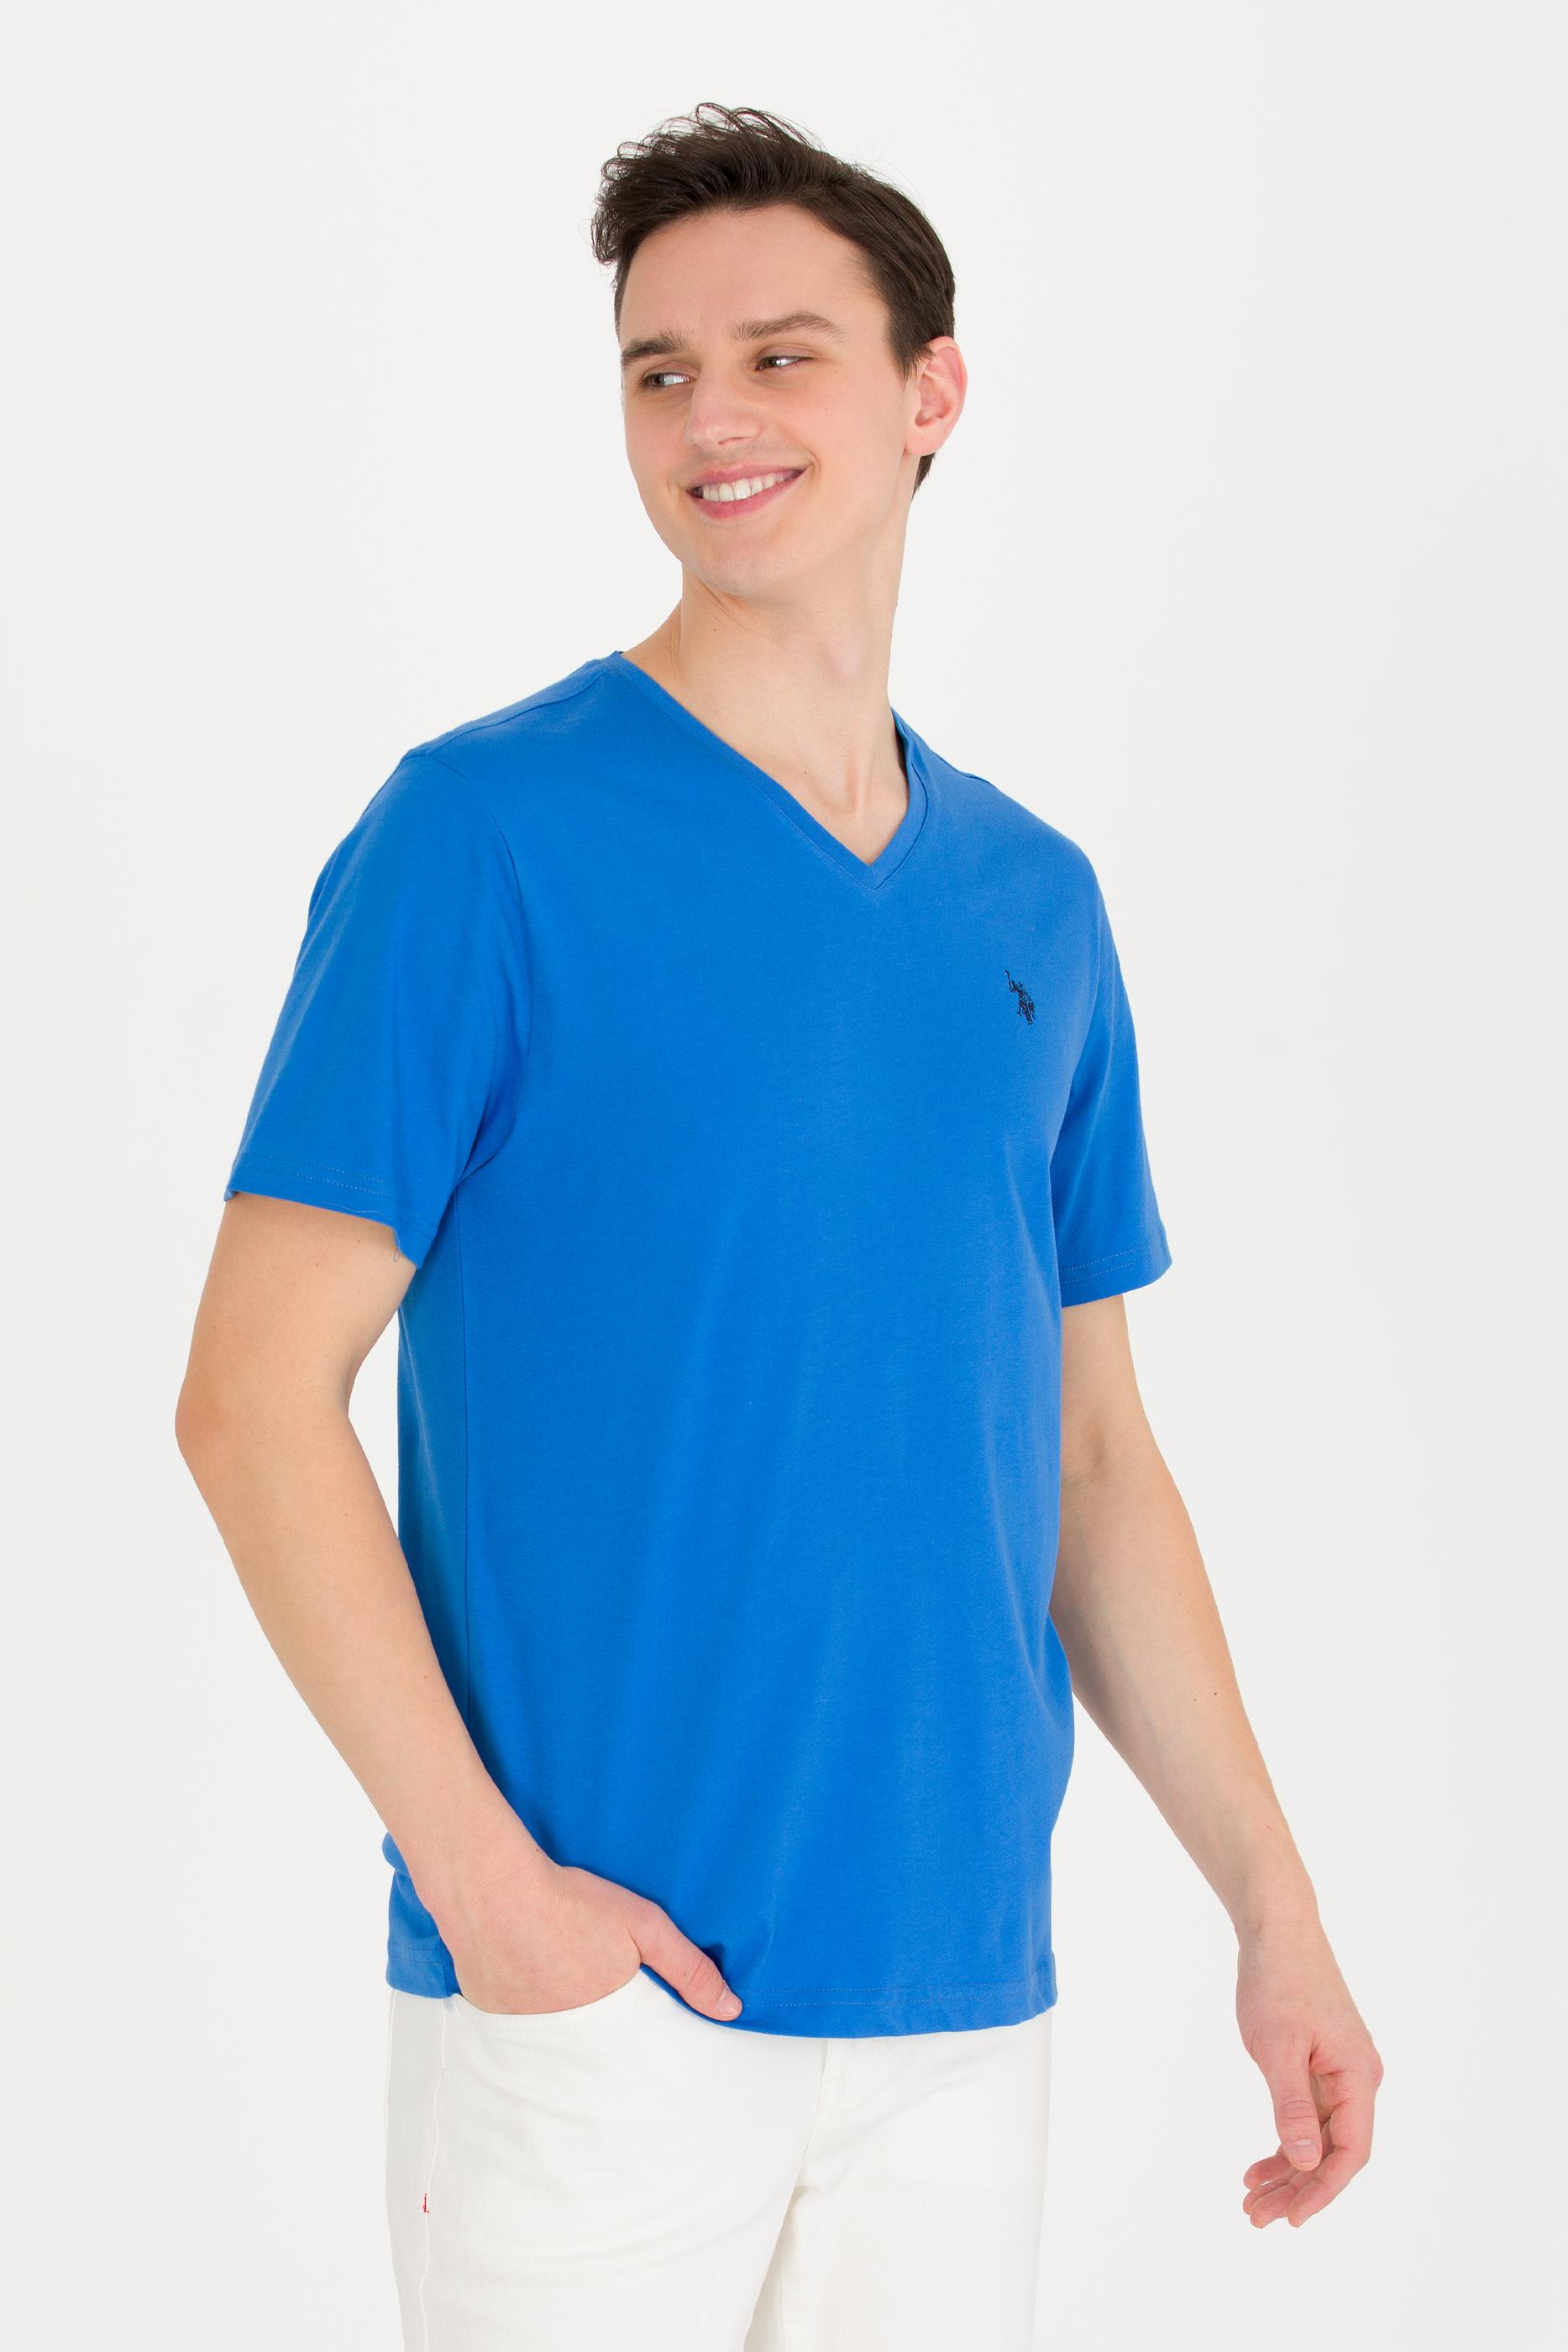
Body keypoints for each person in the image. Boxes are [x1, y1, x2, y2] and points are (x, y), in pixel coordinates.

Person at [176, 102, 1382, 2350]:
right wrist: (491, 1894)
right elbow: (249, 1401)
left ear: (932, 392)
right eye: (659, 370)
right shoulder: (480, 838)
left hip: (958, 2008)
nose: (710, 417)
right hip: (596, 2007)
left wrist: (1271, 1908)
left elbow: (1092, 1465)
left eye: (779, 357)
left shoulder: (1033, 904)